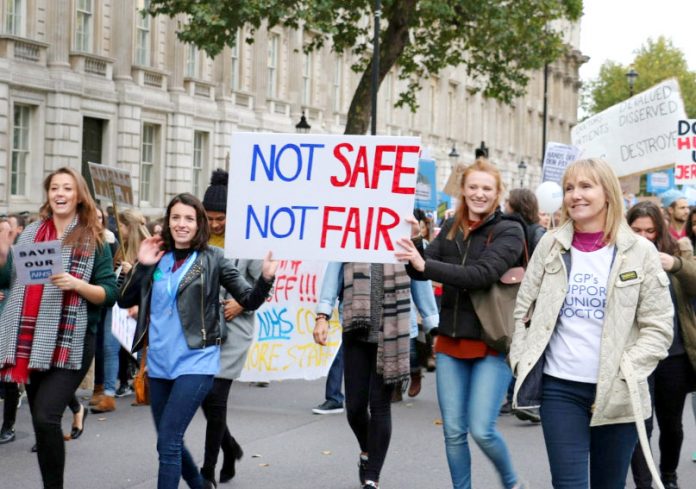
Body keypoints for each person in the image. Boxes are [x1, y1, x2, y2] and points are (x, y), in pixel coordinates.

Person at [509, 158, 674, 488]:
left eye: (585, 186)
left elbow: (659, 326)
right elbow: (523, 310)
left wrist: (629, 367)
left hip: (619, 391)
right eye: (569, 188)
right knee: (568, 483)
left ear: (608, 194)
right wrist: (520, 358)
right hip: (561, 388)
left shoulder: (640, 251)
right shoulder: (550, 245)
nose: (575, 195)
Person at [118, 192, 277, 489]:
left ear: (198, 223)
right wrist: (141, 264)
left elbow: (248, 299)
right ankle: (200, 485)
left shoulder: (213, 258)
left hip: (197, 361)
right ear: (168, 222)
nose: (182, 224)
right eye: (176, 218)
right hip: (159, 363)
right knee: (169, 439)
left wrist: (265, 280)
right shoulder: (157, 256)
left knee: (168, 442)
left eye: (189, 219)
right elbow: (123, 298)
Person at [396, 157, 525, 489]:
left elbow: (480, 275)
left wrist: (424, 265)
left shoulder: (509, 229)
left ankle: (512, 483)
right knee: (454, 432)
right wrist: (417, 242)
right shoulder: (452, 224)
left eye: (486, 188)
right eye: (473, 187)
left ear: (497, 193)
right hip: (451, 343)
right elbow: (419, 268)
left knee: (482, 429)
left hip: (491, 342)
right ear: (463, 190)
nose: (479, 194)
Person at [0, 167, 118, 488]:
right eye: (54, 188)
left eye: (67, 188)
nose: (60, 194)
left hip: (72, 342)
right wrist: (2, 253)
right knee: (43, 425)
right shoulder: (30, 234)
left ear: (78, 195)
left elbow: (109, 293)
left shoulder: (93, 238)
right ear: (48, 194)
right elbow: (8, 282)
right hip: (34, 340)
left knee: (45, 416)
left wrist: (77, 284)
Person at [313, 260, 412, 489]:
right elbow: (333, 271)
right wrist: (322, 315)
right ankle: (368, 450)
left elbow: (418, 272)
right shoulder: (353, 232)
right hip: (356, 331)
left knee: (380, 406)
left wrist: (431, 321)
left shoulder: (400, 230)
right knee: (355, 408)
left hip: (391, 332)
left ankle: (372, 477)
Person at [198, 169, 264, 487]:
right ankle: (230, 447)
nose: (215, 224)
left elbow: (264, 286)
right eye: (209, 218)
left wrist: (243, 303)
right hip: (200, 329)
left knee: (216, 396)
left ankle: (207, 470)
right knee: (201, 397)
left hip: (235, 329)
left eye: (220, 218)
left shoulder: (249, 241)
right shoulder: (196, 240)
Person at [626, 201, 696, 489]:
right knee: (640, 424)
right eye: (636, 230)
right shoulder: (618, 253)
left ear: (661, 229)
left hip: (674, 354)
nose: (643, 237)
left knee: (672, 425)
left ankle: (668, 475)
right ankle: (645, 484)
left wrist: (675, 264)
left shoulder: (680, 249)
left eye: (650, 231)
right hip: (636, 353)